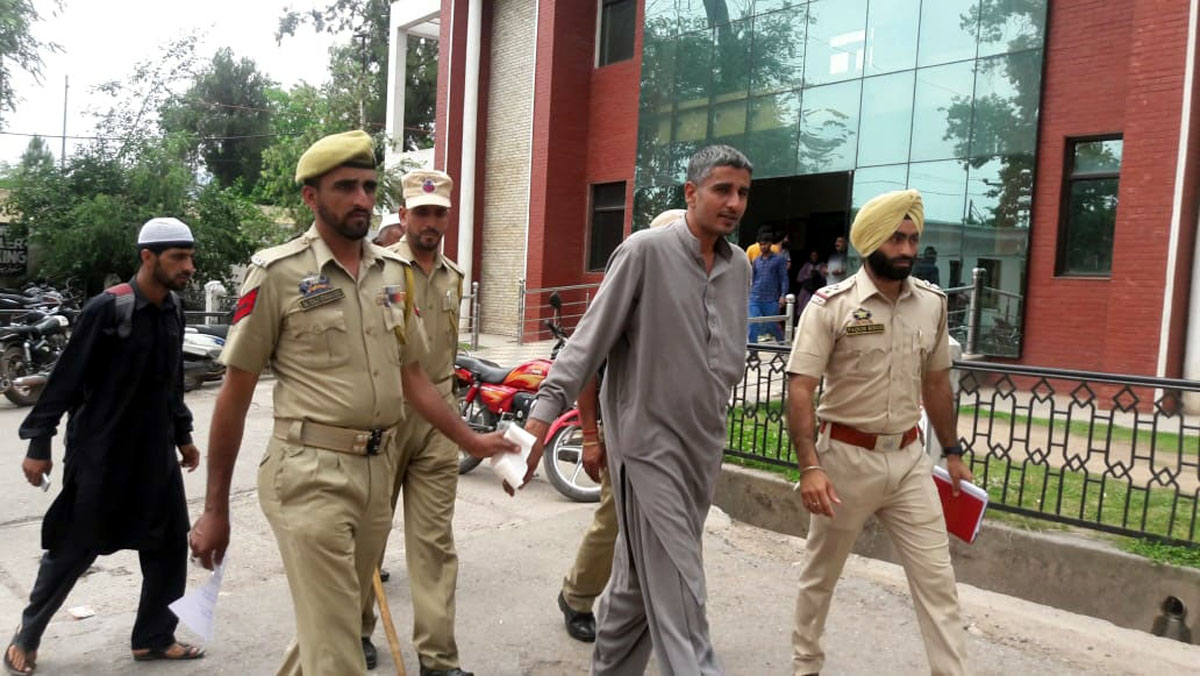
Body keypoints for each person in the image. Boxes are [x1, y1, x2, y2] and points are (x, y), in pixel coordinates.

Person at [187, 130, 515, 676]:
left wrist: (472, 440)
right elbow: (233, 398)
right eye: (345, 187)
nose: (361, 198)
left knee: (328, 629)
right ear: (311, 197)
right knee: (339, 650)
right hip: (309, 475)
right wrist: (215, 508)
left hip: (375, 473)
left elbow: (413, 374)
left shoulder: (392, 274)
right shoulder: (278, 273)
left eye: (367, 186)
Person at [521, 144, 753, 675]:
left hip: (702, 449)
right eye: (722, 189)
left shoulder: (738, 266)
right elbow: (585, 344)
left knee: (634, 586)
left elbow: (727, 357)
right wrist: (540, 420)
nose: (734, 203)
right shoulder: (644, 252)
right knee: (682, 596)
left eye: (742, 193)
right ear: (691, 192)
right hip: (647, 449)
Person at [5, 218, 205, 676]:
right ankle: (27, 635)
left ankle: (154, 637)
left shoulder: (173, 308)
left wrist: (184, 435)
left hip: (154, 452)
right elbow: (65, 378)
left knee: (168, 545)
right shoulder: (108, 308)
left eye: (191, 257)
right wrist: (39, 443)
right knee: (74, 547)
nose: (188, 267)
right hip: (101, 452)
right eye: (179, 257)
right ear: (148, 257)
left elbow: (171, 382)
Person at [784, 189, 972, 676]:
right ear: (869, 242)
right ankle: (806, 665)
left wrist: (952, 452)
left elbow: (936, 383)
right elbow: (801, 389)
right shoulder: (831, 306)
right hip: (844, 462)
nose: (907, 250)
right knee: (820, 575)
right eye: (896, 239)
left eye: (912, 239)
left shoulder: (931, 304)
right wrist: (810, 467)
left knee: (938, 582)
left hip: (909, 461)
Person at [359, 169, 472, 676]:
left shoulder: (453, 276)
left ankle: (438, 658)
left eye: (439, 213)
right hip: (386, 415)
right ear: (403, 215)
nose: (431, 222)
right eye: (421, 212)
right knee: (370, 532)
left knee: (435, 543)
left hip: (438, 421)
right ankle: (356, 629)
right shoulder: (378, 271)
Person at [555, 207, 680, 644]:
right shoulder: (623, 295)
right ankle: (576, 597)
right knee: (614, 520)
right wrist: (591, 438)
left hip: (675, 435)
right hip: (625, 431)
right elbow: (584, 369)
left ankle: (661, 613)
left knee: (672, 527)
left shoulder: (687, 303)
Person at [749, 229, 788, 344]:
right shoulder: (756, 261)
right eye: (761, 244)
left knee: (771, 324)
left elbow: (783, 278)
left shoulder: (779, 260)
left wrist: (783, 295)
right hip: (755, 297)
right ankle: (753, 351)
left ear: (770, 244)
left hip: (771, 298)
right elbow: (753, 278)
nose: (763, 247)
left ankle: (782, 346)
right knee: (753, 324)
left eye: (765, 244)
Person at [794, 250, 825, 314]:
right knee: (802, 303)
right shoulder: (807, 265)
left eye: (815, 255)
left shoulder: (822, 265)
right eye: (812, 255)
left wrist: (817, 275)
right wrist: (808, 277)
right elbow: (799, 278)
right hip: (807, 288)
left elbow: (824, 277)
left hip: (818, 289)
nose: (814, 257)